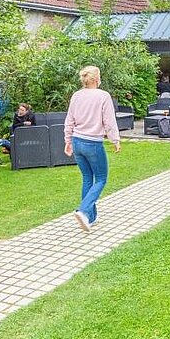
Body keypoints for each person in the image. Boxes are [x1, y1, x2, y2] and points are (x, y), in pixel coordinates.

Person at [64, 66, 121, 233]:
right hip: (93, 143)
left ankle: (90, 217)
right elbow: (109, 121)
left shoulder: (76, 96)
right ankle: (82, 210)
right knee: (101, 178)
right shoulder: (103, 96)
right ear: (97, 79)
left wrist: (68, 140)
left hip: (77, 141)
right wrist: (115, 140)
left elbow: (69, 120)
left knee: (87, 177)